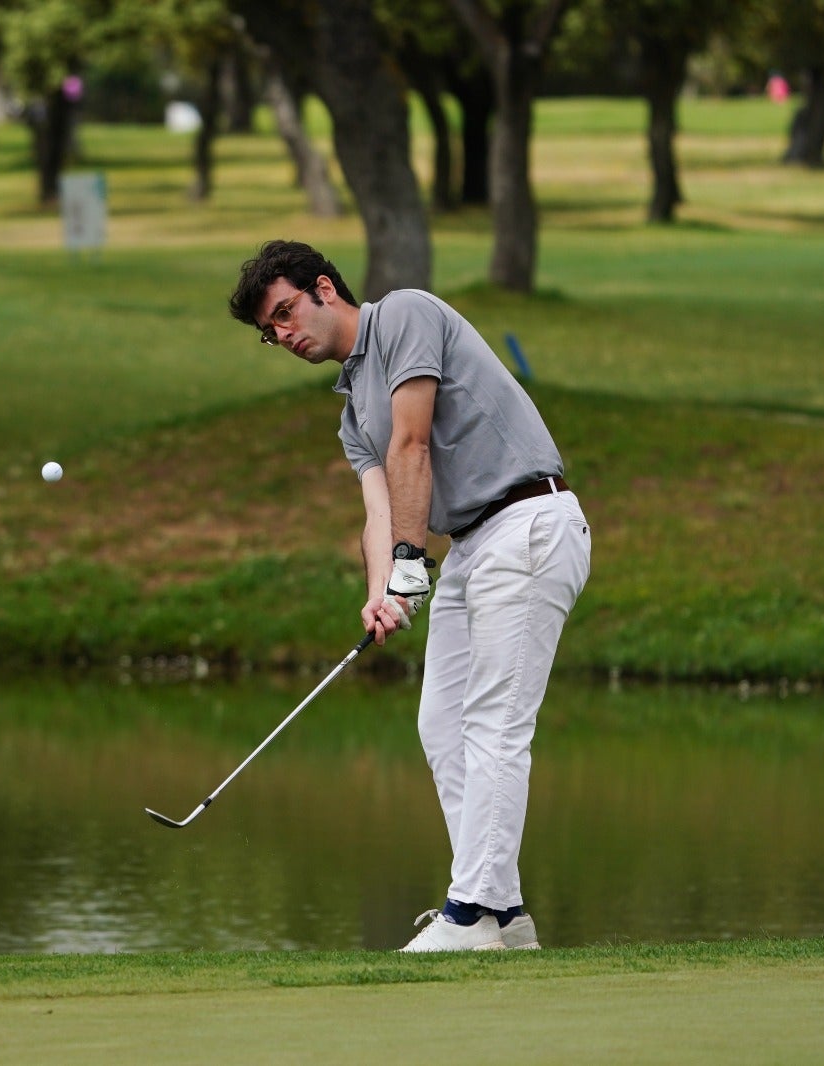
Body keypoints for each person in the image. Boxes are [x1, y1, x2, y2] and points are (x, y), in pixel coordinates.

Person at [229, 240, 591, 952]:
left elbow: (413, 446)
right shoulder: (350, 413)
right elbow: (378, 508)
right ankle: (504, 915)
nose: (284, 335)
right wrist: (381, 590)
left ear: (324, 288)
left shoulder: (406, 316)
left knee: (493, 721)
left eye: (285, 313)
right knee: (442, 723)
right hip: (471, 545)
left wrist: (407, 561)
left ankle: (472, 913)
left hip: (527, 522)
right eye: (270, 333)